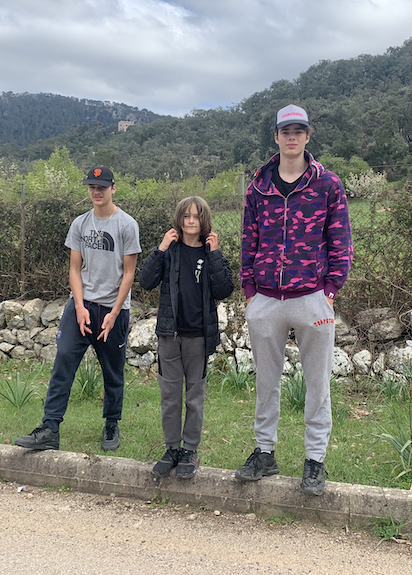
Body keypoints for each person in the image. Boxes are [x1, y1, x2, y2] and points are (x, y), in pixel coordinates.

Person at [235, 104, 353, 496]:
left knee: (317, 385)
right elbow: (248, 239)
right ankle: (264, 452)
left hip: (312, 298)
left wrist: (331, 291)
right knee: (266, 382)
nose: (292, 137)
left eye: (298, 131)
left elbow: (341, 240)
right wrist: (250, 293)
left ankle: (315, 460)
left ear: (307, 136)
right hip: (266, 299)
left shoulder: (327, 184)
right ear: (276, 136)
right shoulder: (258, 186)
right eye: (285, 131)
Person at [15, 165, 141, 453]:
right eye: (92, 187)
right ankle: (50, 428)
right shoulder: (80, 224)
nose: (97, 192)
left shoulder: (126, 225)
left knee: (113, 370)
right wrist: (80, 306)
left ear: (113, 189)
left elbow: (129, 273)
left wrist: (114, 313)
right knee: (63, 361)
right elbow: (74, 268)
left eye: (102, 187)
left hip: (112, 310)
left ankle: (111, 423)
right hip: (81, 308)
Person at [139, 197, 234, 479]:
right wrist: (160, 249)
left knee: (195, 396)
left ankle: (190, 450)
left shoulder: (210, 252)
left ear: (204, 220)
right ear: (179, 219)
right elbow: (146, 281)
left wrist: (215, 254)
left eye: (196, 216)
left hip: (198, 337)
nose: (191, 221)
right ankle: (172, 448)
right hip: (170, 334)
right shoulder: (169, 251)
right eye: (186, 216)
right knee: (170, 396)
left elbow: (224, 289)